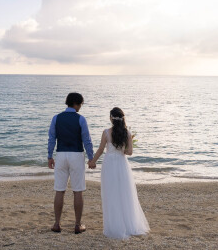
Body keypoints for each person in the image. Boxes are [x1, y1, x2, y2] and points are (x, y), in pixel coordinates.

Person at [89, 107, 150, 239]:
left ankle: (114, 226)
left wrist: (92, 161)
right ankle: (129, 225)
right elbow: (129, 152)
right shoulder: (127, 133)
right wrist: (122, 150)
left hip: (109, 164)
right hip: (122, 165)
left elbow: (100, 150)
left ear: (111, 118)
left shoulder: (106, 132)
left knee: (111, 193)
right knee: (124, 193)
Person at [47, 92, 96, 234]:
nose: (80, 107)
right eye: (81, 104)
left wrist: (50, 156)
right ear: (77, 104)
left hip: (61, 155)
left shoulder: (56, 118)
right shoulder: (81, 119)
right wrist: (91, 158)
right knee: (77, 191)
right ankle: (78, 225)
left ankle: (57, 224)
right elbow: (87, 140)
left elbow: (51, 138)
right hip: (76, 155)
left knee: (59, 190)